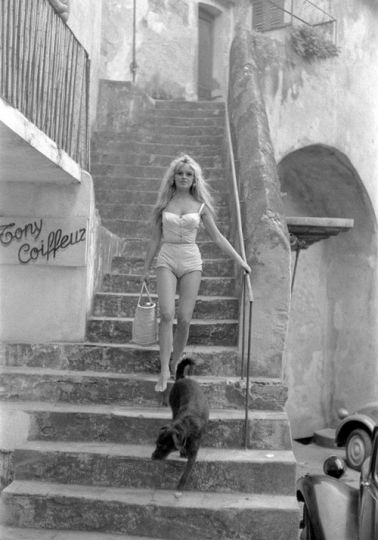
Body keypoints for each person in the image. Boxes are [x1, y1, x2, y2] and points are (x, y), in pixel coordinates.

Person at [142, 154, 251, 393]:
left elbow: (218, 237)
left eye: (188, 174)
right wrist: (145, 267)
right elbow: (154, 239)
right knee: (167, 313)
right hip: (167, 257)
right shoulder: (163, 205)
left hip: (191, 260)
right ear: (173, 177)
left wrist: (240, 260)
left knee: (184, 318)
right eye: (180, 173)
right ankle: (163, 371)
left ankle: (175, 360)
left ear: (194, 179)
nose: (183, 177)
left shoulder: (200, 206)